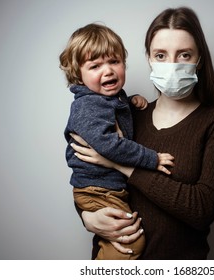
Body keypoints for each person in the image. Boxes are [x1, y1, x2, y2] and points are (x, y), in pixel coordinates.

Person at [70, 7, 214, 260]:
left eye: (184, 55)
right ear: (149, 59)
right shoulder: (129, 115)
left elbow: (201, 209)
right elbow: (90, 177)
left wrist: (123, 166)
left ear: (200, 60)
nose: (171, 65)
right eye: (161, 55)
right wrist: (88, 217)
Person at [59, 23, 174, 260]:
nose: (108, 71)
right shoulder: (88, 106)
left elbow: (112, 113)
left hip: (104, 188)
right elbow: (110, 145)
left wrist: (131, 102)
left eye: (114, 61)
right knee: (132, 243)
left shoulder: (107, 99)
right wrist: (151, 158)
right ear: (78, 76)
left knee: (121, 242)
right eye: (95, 66)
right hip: (98, 191)